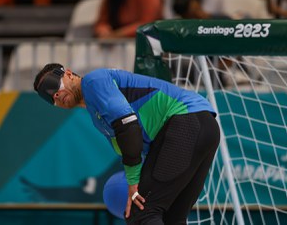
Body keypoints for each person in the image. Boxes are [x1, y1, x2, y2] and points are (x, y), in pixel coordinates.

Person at [33, 63, 220, 224]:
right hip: (203, 127)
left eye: (53, 86)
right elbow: (133, 146)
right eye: (49, 98)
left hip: (186, 122)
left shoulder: (93, 81)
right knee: (171, 218)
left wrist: (133, 183)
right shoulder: (97, 116)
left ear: (69, 74)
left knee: (142, 212)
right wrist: (137, 180)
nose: (55, 96)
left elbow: (128, 125)